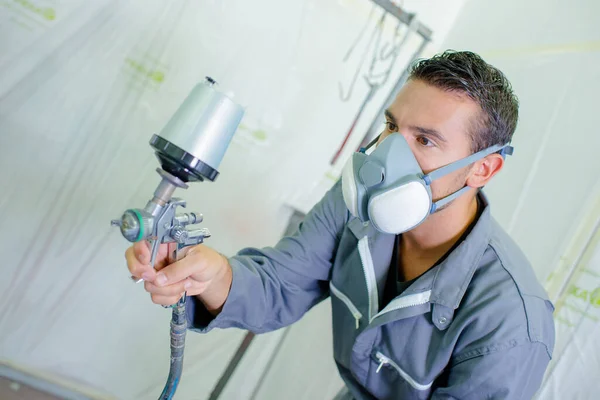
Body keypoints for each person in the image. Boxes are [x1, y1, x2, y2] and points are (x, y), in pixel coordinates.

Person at [126, 50, 555, 399]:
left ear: (482, 169)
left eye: (424, 140)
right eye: (391, 126)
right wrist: (216, 276)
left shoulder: (511, 323)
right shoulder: (357, 206)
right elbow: (281, 284)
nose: (386, 157)